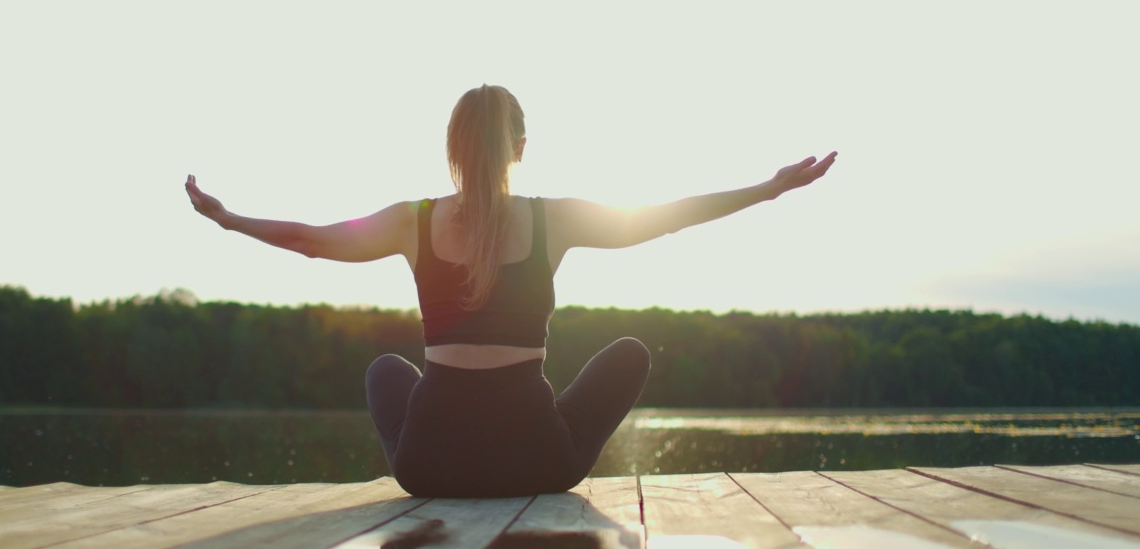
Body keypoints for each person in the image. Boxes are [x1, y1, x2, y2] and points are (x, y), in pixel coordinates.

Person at [185, 84, 836, 498]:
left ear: (453, 148)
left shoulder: (412, 221)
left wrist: (229, 218)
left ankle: (423, 444)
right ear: (520, 148)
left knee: (387, 369)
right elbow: (665, 215)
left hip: (427, 471)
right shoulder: (552, 219)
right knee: (632, 352)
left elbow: (312, 239)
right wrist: (767, 188)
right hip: (538, 464)